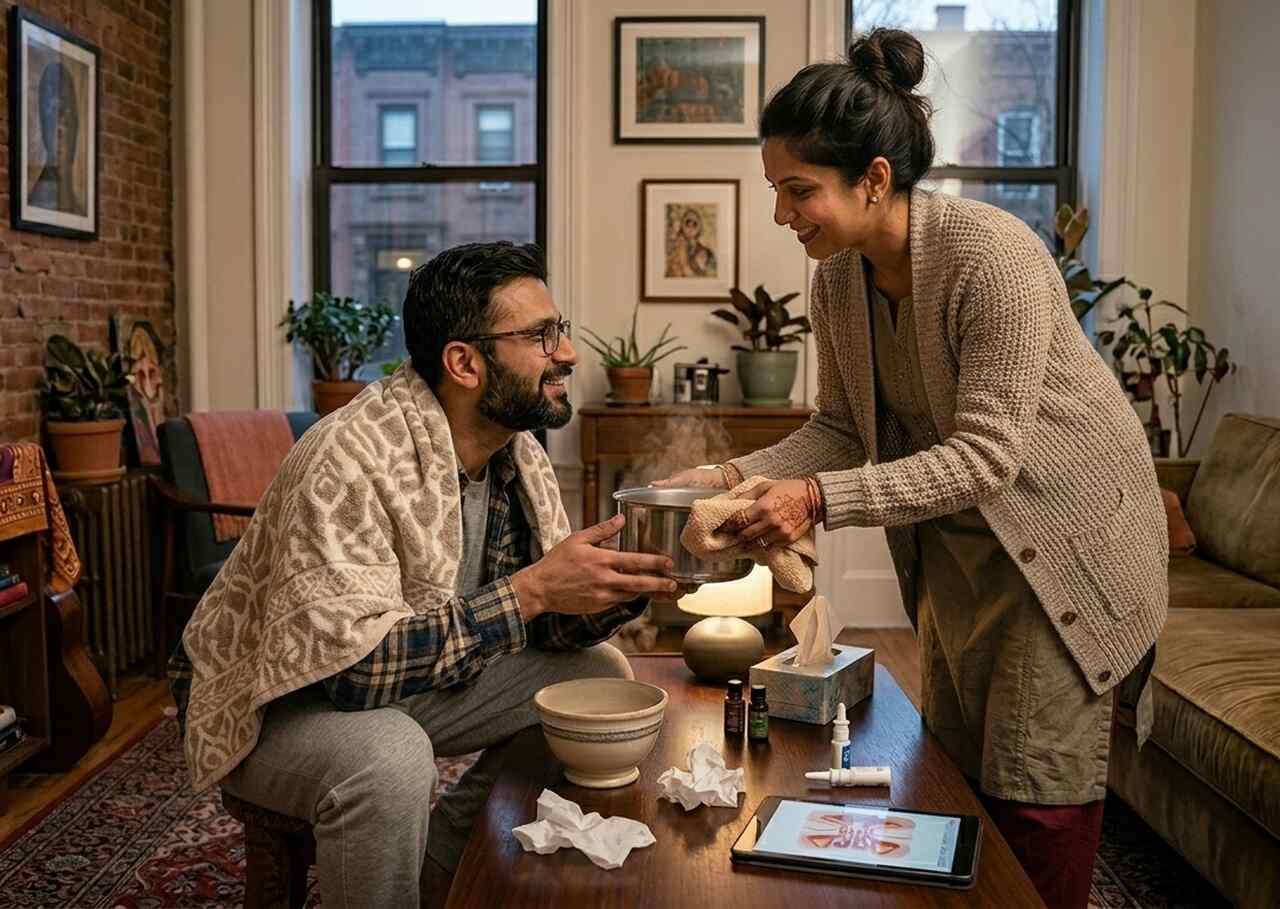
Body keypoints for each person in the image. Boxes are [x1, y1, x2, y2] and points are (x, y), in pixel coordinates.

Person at [657, 29, 1166, 909]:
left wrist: (814, 499)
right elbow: (843, 428)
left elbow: (986, 455)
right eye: (777, 189)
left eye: (799, 191)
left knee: (1036, 793)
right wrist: (730, 474)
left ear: (877, 179)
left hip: (1065, 551)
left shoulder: (990, 256)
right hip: (963, 555)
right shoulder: (837, 278)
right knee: (963, 783)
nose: (784, 215)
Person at [169, 241, 678, 908]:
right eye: (541, 335)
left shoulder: (511, 453)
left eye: (561, 329)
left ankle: (440, 870)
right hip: (275, 701)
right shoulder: (349, 457)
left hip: (400, 680)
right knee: (390, 756)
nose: (568, 353)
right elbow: (348, 673)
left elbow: (546, 626)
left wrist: (624, 581)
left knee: (598, 678)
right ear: (464, 362)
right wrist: (530, 591)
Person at [29, 61, 84, 215]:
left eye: (68, 112)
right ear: (42, 122)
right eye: (53, 111)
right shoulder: (37, 205)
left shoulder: (79, 210)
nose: (61, 126)